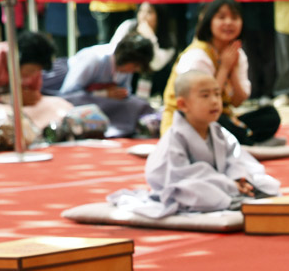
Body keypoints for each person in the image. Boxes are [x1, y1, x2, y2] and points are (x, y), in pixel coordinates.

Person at [110, 71, 280, 218]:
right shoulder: (175, 136)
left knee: (265, 182)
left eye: (217, 94)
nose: (214, 101)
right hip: (182, 187)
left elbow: (235, 158)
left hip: (224, 184)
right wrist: (229, 184)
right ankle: (233, 199)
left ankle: (237, 194)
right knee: (195, 189)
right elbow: (182, 175)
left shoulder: (218, 131)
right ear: (183, 104)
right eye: (205, 96)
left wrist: (239, 178)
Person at [161, 0, 281, 145]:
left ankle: (243, 139)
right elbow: (203, 103)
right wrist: (224, 68)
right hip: (188, 120)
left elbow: (238, 101)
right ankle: (246, 140)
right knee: (221, 122)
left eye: (235, 17)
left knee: (270, 115)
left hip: (219, 115)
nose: (229, 23)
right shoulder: (198, 55)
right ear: (209, 21)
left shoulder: (237, 54)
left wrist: (233, 70)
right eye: (221, 17)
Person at [52, 33, 154, 137]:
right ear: (127, 58)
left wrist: (119, 93)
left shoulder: (126, 69)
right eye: (135, 66)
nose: (135, 70)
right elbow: (67, 94)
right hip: (73, 95)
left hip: (102, 103)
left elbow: (126, 93)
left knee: (135, 103)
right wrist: (103, 93)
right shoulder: (95, 58)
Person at [222, 0, 275, 105]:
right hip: (244, 14)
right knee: (247, 52)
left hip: (268, 12)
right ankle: (250, 92)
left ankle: (268, 91)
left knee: (269, 52)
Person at [110, 2, 176, 99]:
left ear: (159, 16)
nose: (143, 16)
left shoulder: (168, 39)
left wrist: (150, 37)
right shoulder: (128, 26)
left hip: (154, 81)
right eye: (141, 11)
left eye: (149, 12)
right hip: (128, 79)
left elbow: (156, 65)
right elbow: (114, 53)